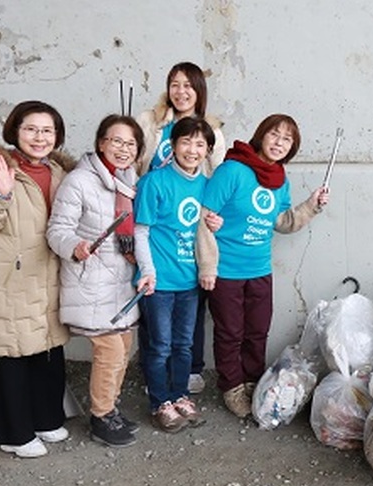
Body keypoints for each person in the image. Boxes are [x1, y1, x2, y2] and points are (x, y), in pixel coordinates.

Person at [197, 114, 330, 418]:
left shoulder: (279, 179)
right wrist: (207, 267)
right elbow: (203, 220)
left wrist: (312, 206)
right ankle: (232, 387)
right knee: (230, 332)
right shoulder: (232, 170)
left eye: (287, 139)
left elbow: (282, 222)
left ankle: (254, 383)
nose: (279, 143)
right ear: (261, 134)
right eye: (275, 134)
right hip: (226, 271)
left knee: (257, 332)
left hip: (259, 270)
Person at [0, 100, 75, 458]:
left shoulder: (60, 173)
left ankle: (45, 418)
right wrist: (1, 192)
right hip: (9, 280)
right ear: (15, 130)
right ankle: (14, 432)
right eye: (31, 129)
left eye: (47, 131)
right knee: (12, 353)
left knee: (46, 350)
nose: (39, 137)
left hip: (48, 274)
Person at [47, 115, 146, 448]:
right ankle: (101, 417)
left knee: (125, 348)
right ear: (101, 142)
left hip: (120, 280)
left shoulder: (129, 180)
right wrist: (75, 246)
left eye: (130, 143)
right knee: (110, 351)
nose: (122, 149)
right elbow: (57, 230)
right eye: (116, 141)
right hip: (91, 280)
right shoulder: (80, 181)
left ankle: (111, 409)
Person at [137, 61, 227, 396]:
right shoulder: (150, 122)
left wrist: (215, 216)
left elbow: (217, 181)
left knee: (190, 307)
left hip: (192, 228)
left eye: (188, 85)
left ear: (199, 90)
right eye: (175, 84)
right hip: (157, 217)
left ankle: (187, 371)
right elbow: (135, 161)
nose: (181, 91)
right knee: (154, 310)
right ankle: (156, 377)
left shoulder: (212, 131)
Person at [134, 116, 215, 432]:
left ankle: (180, 395)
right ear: (173, 145)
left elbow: (210, 228)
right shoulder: (154, 182)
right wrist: (148, 271)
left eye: (200, 144)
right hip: (159, 282)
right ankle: (160, 402)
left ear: (207, 150)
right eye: (186, 142)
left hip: (190, 281)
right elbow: (141, 231)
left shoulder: (207, 186)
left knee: (184, 345)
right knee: (160, 346)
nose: (192, 150)